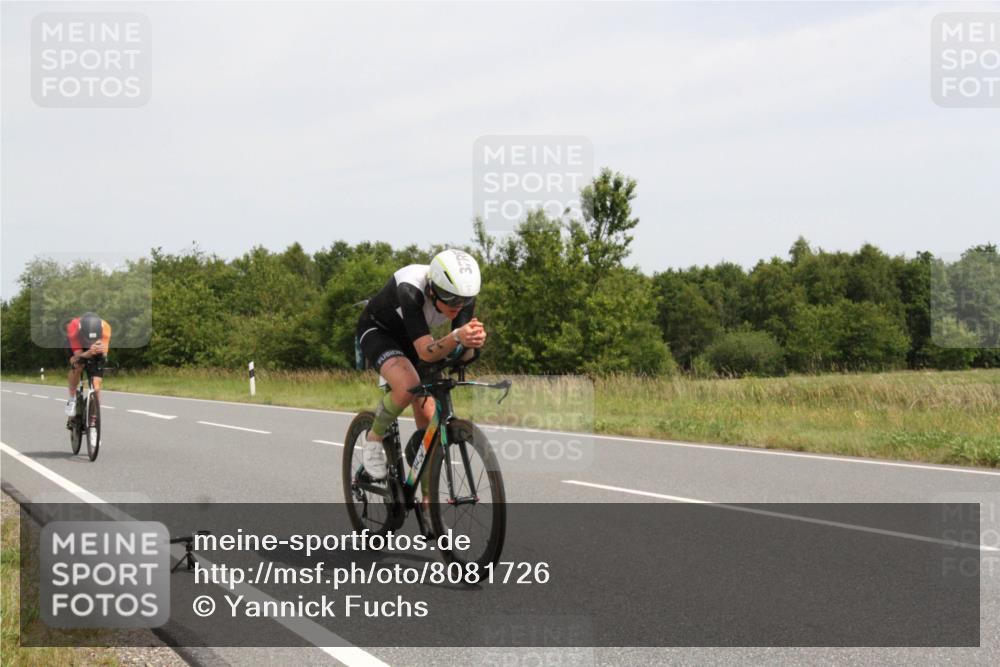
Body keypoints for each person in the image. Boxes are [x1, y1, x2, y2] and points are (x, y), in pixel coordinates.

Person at [355, 249, 486, 479]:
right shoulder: (410, 288)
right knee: (407, 385)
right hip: (379, 332)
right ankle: (373, 440)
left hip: (416, 338)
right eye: (450, 297)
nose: (458, 305)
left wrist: (472, 344)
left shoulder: (462, 297)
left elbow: (459, 355)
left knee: (430, 431)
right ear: (432, 288)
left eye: (464, 300)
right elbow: (426, 353)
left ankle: (428, 508)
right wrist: (456, 336)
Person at [64, 312, 111, 429]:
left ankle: (94, 421)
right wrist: (89, 353)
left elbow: (104, 355)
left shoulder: (105, 328)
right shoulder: (73, 328)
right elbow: (78, 356)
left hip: (97, 345)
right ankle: (72, 398)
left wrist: (100, 353)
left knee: (96, 386)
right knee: (77, 365)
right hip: (78, 347)